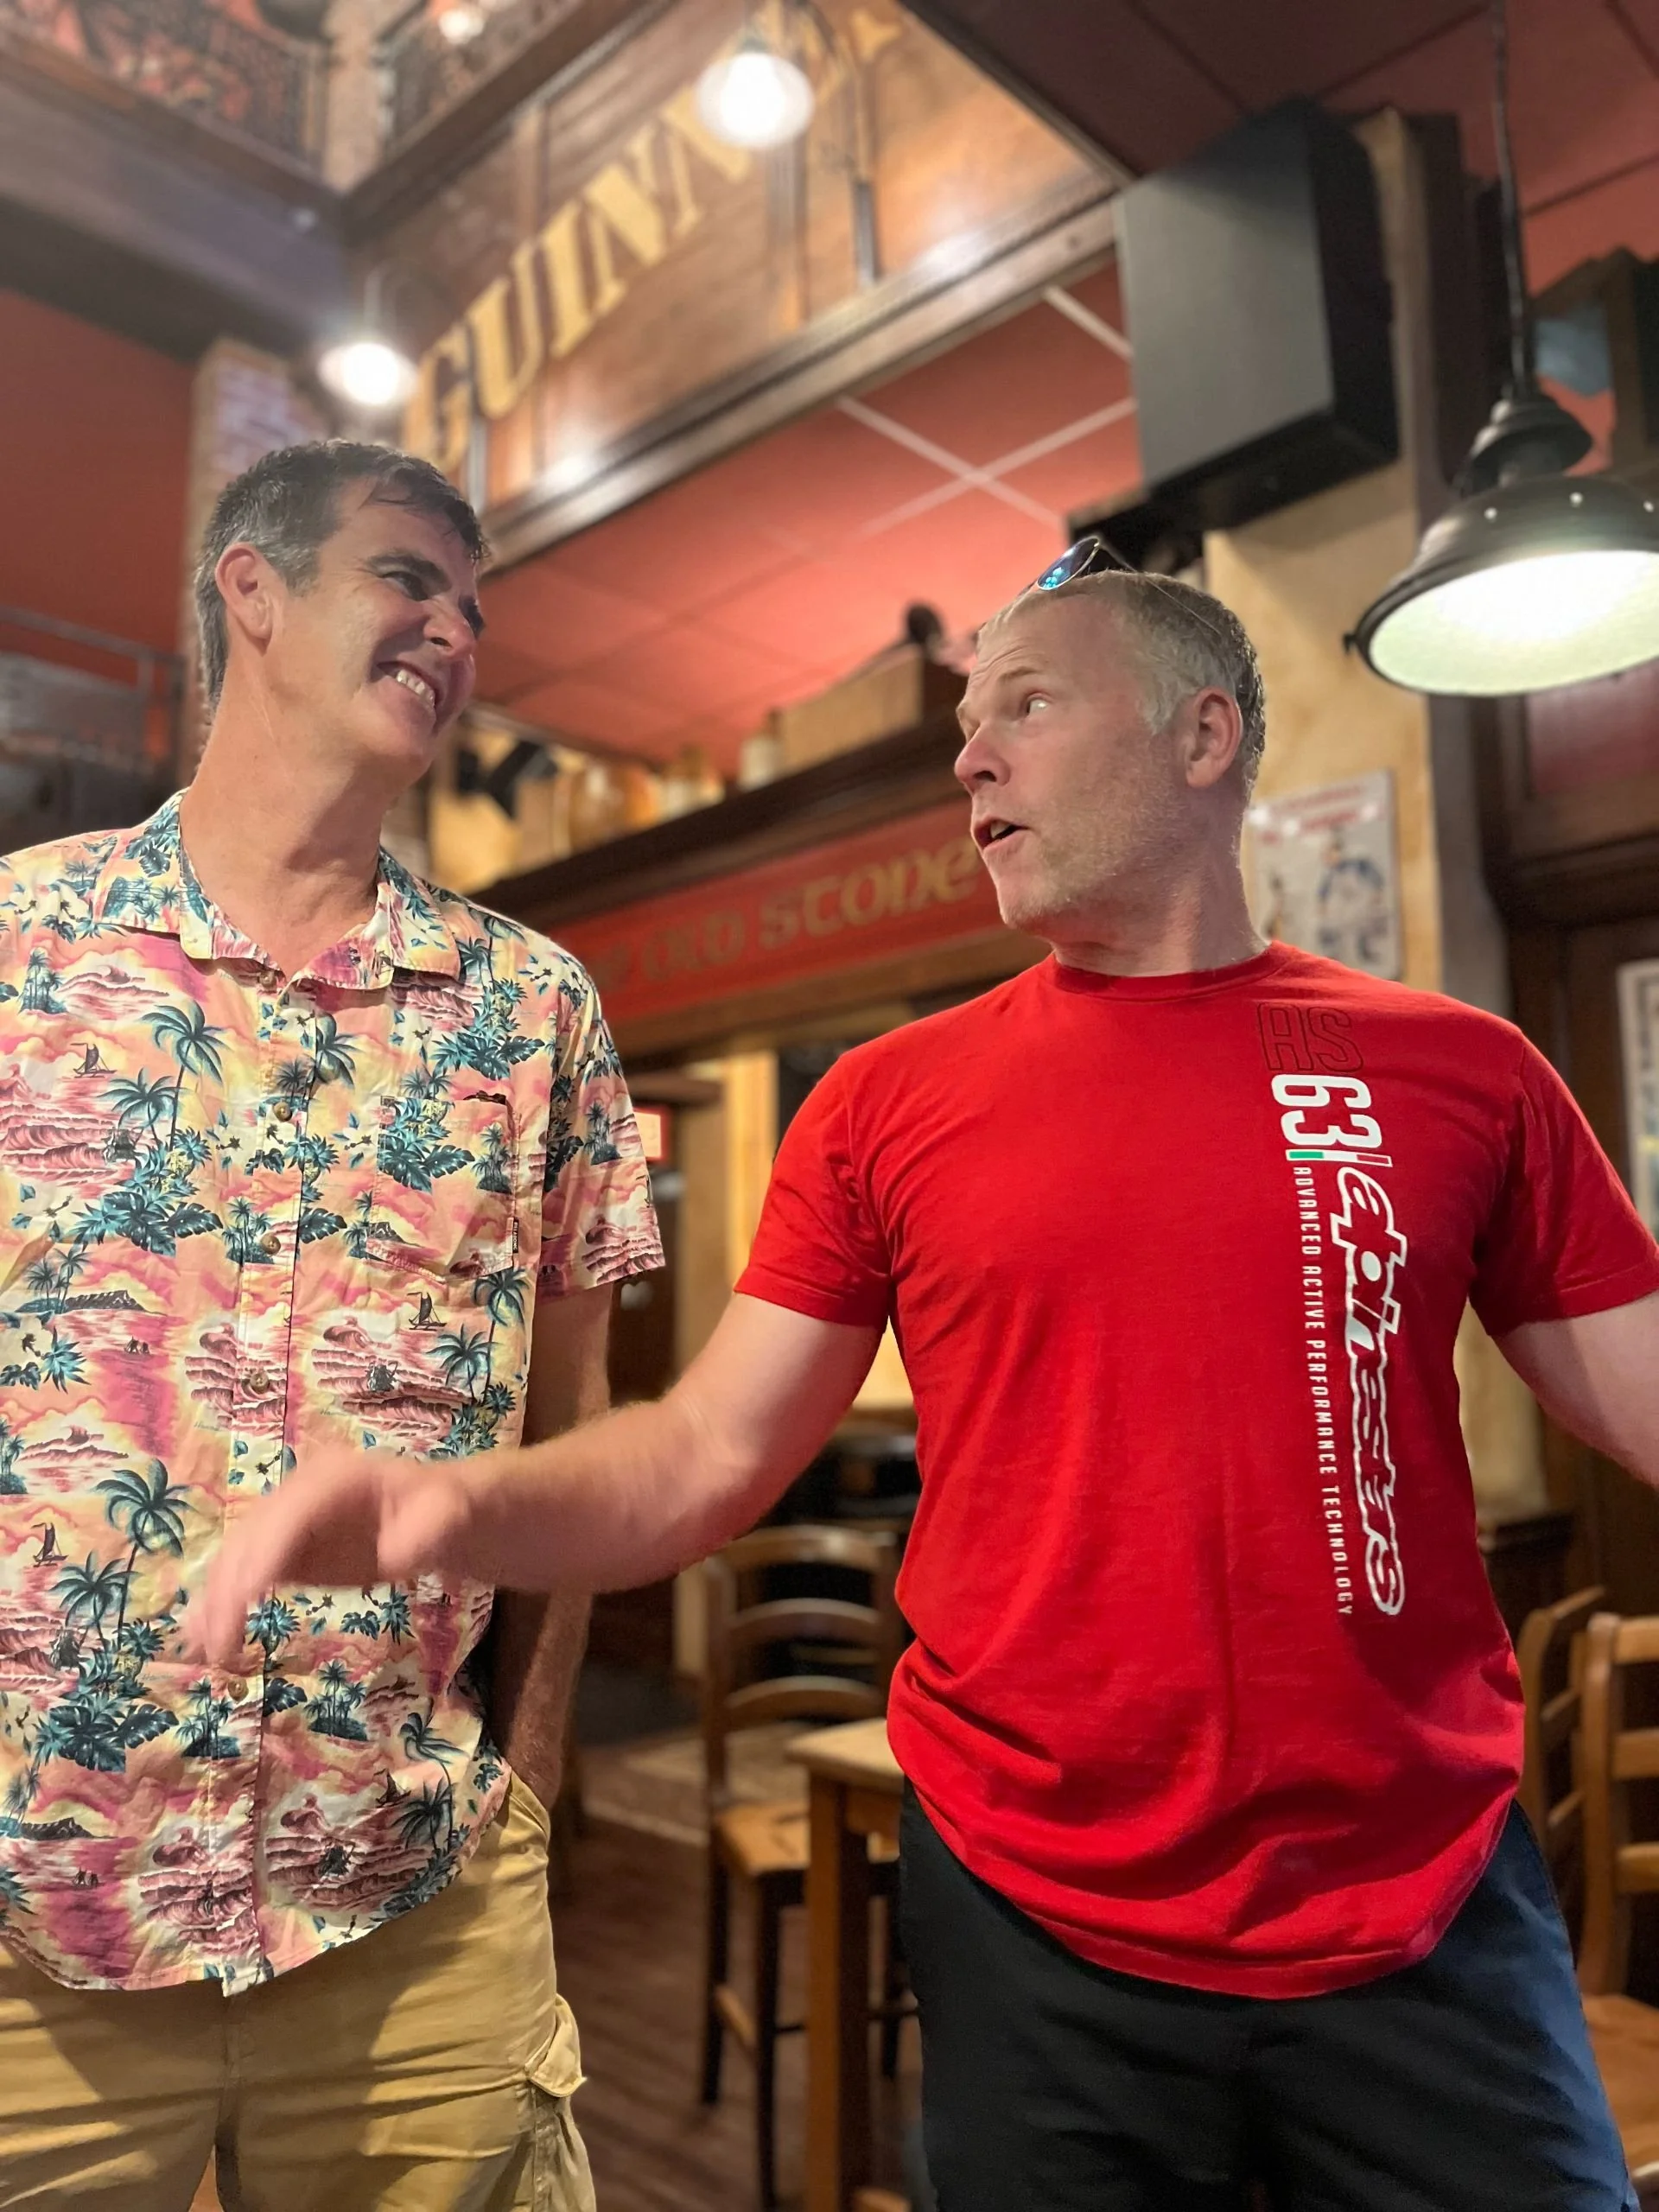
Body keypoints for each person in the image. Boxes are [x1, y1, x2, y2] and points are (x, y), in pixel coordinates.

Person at [200, 545, 1659, 2210]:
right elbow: (702, 1459)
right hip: (1036, 1917)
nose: (970, 756)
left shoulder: (1463, 1071)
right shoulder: (888, 1100)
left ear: (1205, 738)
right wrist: (448, 1501)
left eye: (1025, 706)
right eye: (966, 722)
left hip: (1428, 1903)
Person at [0, 442, 660, 2209]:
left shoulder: (531, 1013)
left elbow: (573, 1439)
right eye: (405, 577)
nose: (453, 628)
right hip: (32, 1924)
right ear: (254, 593)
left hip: (413, 1912)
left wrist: (523, 1794)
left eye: (473, 605)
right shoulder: (16, 950)